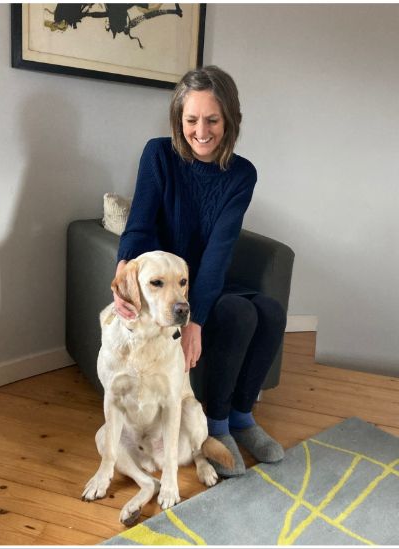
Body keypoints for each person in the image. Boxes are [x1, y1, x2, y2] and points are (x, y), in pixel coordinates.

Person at [112, 66, 286, 478]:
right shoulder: (158, 154)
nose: (201, 131)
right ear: (179, 120)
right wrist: (124, 271)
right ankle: (220, 426)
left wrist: (196, 318)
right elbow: (138, 223)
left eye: (212, 120)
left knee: (272, 311)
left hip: (206, 280)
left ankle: (244, 416)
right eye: (191, 120)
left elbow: (220, 251)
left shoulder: (242, 174)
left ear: (229, 121)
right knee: (239, 314)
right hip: (165, 285)